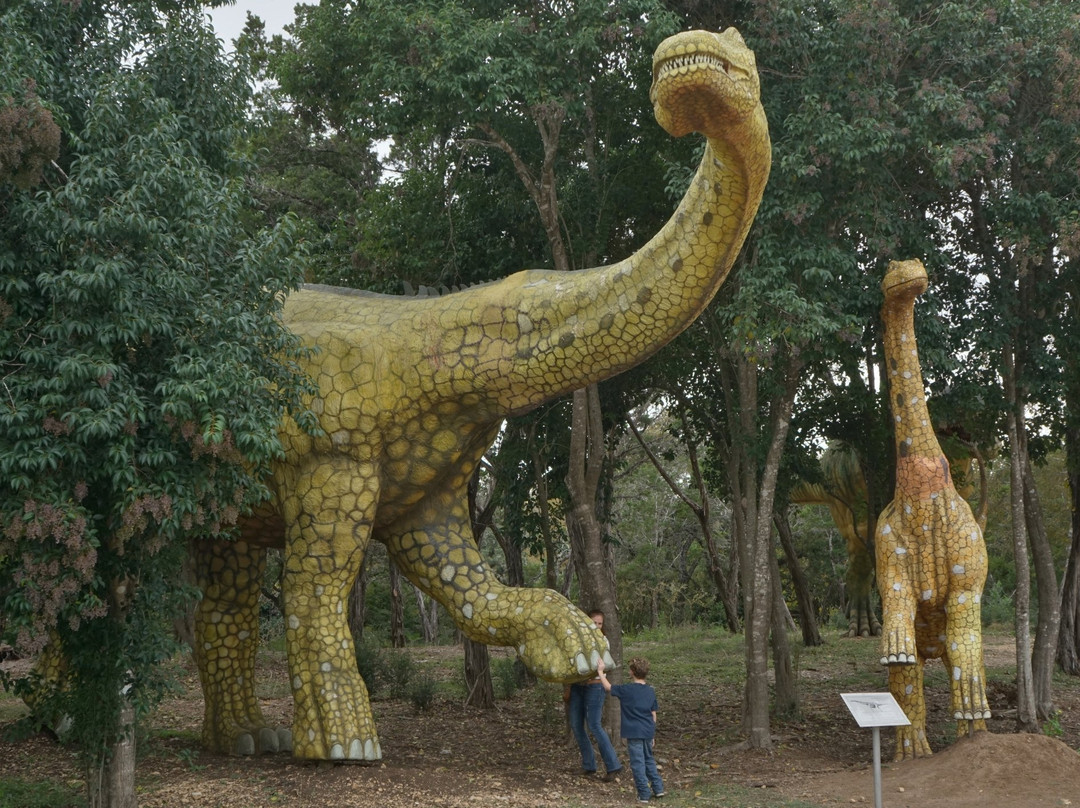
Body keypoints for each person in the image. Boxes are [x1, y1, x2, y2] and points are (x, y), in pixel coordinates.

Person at [596, 656, 665, 804]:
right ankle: (658, 788)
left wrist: (600, 672)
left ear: (632, 672)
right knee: (649, 760)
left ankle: (644, 793)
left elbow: (608, 687)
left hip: (634, 732)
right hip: (647, 731)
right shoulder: (650, 691)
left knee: (637, 763)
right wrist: (652, 734)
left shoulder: (626, 689)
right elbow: (653, 714)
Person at [564, 609, 622, 781]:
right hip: (577, 686)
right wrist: (568, 685)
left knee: (594, 725)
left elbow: (597, 666)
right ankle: (589, 765)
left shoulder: (603, 641)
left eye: (599, 623)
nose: (596, 626)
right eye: (593, 622)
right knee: (576, 724)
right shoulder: (578, 638)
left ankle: (613, 766)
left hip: (594, 687)